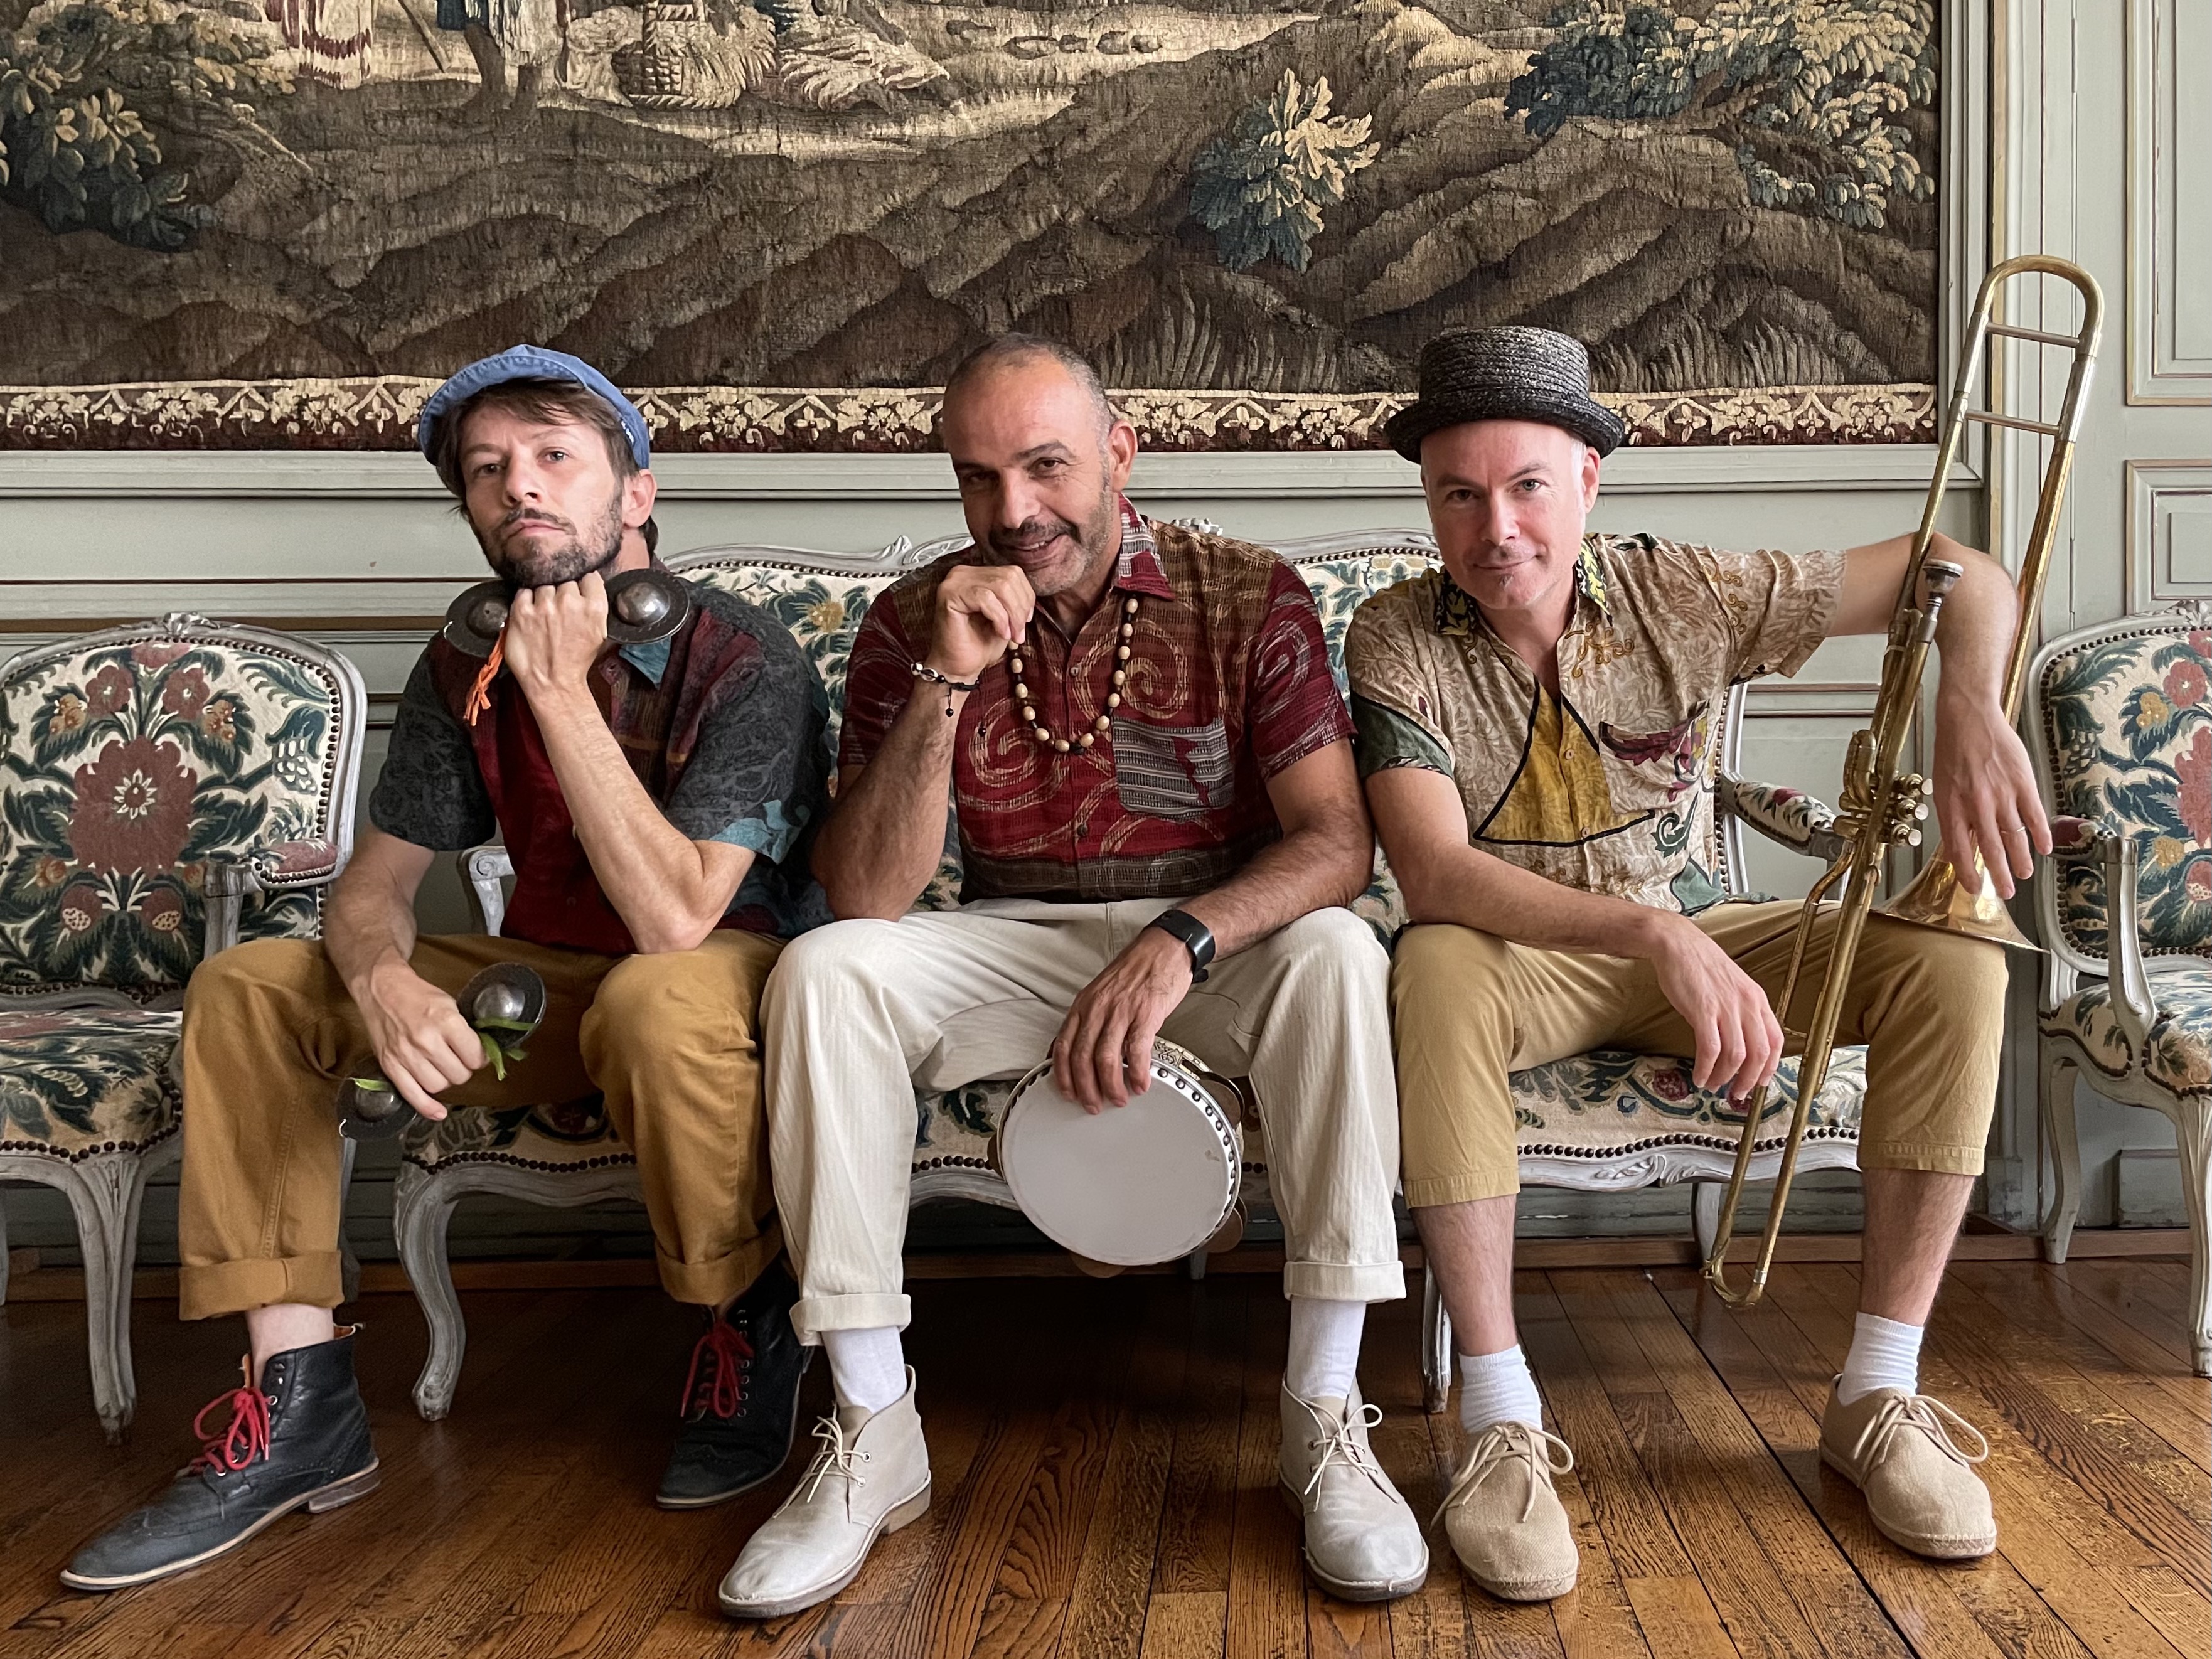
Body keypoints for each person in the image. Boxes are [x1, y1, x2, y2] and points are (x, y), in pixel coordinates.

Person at [61, 345, 835, 1591]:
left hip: (716, 973)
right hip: (545, 980)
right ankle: (299, 1402)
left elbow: (678, 917)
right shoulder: (453, 664)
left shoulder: (746, 662)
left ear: (636, 493)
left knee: (651, 997)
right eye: (486, 470)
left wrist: (559, 691)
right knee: (250, 987)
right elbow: (371, 888)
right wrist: (382, 980)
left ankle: (746, 1321)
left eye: (552, 457)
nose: (517, 486)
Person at [716, 335, 1429, 1619]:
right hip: (1009, 936)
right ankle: (872, 1427)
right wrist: (944, 679)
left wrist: (1183, 938)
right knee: (824, 968)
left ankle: (1324, 1412)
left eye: (1045, 466)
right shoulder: (911, 619)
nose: (1012, 509)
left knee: (1335, 948)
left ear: (1118, 453)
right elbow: (868, 893)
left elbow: (1336, 842)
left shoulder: (1242, 592)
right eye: (978, 477)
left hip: (1208, 941)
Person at [1347, 326, 2037, 1598]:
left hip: (1700, 934)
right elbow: (1432, 873)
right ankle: (1498, 1417)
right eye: (1457, 494)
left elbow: (1957, 568)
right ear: (1428, 499)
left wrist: (1968, 701)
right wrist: (1650, 934)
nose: (1495, 528)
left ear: (1587, 481)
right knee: (1431, 963)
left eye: (1526, 486)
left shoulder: (1684, 590)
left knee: (1958, 963)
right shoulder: (1393, 634)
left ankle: (1876, 1391)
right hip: (1518, 958)